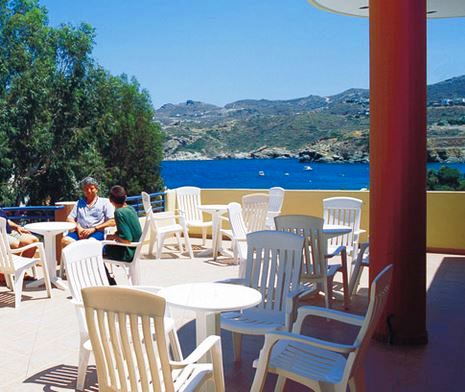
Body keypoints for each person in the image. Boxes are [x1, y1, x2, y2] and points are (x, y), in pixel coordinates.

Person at [62, 177, 115, 247]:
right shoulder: (79, 203)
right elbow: (69, 218)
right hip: (79, 232)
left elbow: (112, 221)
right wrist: (78, 228)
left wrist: (94, 229)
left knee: (89, 244)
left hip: (97, 232)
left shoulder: (105, 202)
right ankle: (76, 257)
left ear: (96, 189)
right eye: (86, 189)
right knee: (65, 241)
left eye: (91, 188)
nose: (89, 191)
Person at [104, 185, 142, 263]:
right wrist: (117, 234)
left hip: (128, 253)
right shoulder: (130, 208)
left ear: (110, 200)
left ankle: (106, 275)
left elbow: (127, 240)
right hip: (136, 249)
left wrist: (113, 236)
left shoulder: (119, 213)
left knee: (99, 251)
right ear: (125, 197)